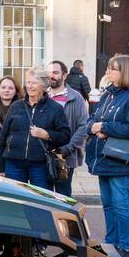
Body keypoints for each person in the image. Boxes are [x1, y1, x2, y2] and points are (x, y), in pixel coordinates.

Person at [86, 55, 129, 257]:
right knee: (108, 204)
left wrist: (104, 127)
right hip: (102, 156)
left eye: (113, 69)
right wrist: (94, 127)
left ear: (125, 71)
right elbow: (92, 120)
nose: (108, 73)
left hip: (120, 158)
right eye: (109, 69)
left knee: (121, 203)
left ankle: (125, 246)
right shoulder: (108, 94)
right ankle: (110, 243)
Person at [0, 68, 70, 190]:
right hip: (14, 163)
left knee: (40, 202)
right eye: (28, 82)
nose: (30, 86)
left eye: (34, 83)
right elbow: (3, 137)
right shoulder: (16, 106)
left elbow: (65, 135)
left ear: (43, 86)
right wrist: (1, 167)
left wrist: (47, 135)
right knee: (16, 201)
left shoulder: (55, 108)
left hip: (40, 165)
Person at [47, 60, 90, 196]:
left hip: (64, 157)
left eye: (55, 72)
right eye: (49, 73)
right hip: (41, 156)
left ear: (64, 75)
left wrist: (68, 148)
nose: (51, 76)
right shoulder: (42, 96)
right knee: (43, 198)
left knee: (63, 197)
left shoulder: (75, 98)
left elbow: (84, 126)